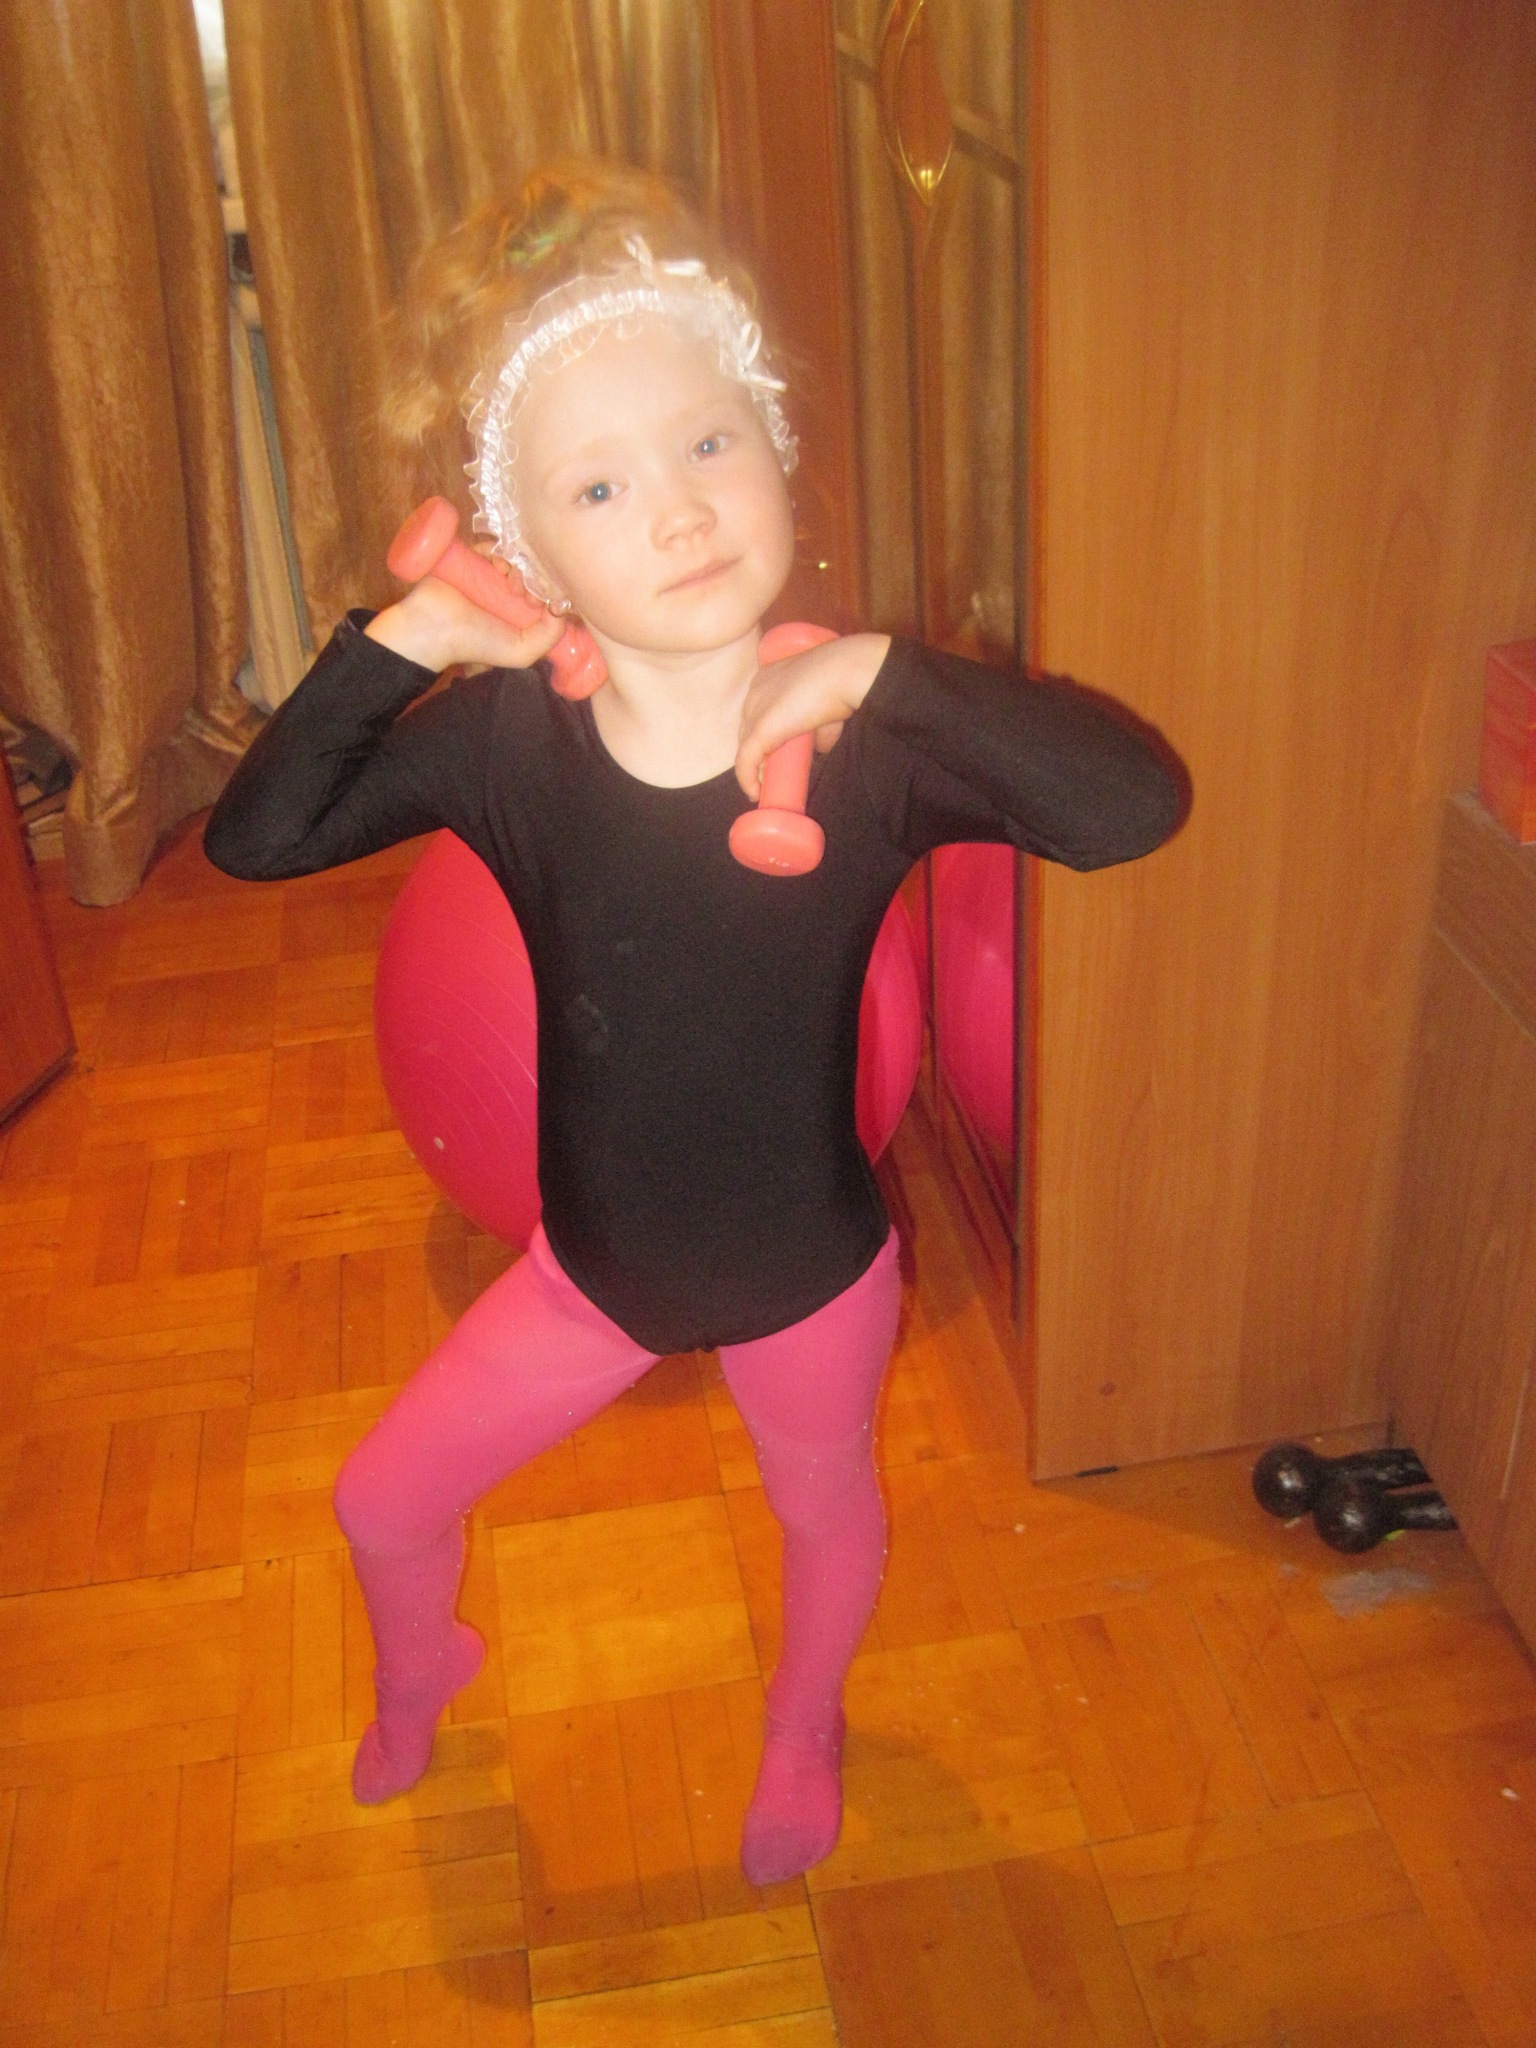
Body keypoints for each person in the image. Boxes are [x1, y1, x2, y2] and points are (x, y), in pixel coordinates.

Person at [205, 159, 1184, 1885]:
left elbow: (1132, 807)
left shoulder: (868, 753)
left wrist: (880, 671)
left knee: (824, 1509)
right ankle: (426, 1665)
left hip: (808, 1272)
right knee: (379, 1498)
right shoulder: (507, 750)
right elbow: (256, 839)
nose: (677, 512)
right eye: (599, 484)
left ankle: (803, 1725)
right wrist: (405, 637)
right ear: (532, 554)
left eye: (710, 443)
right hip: (594, 1275)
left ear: (777, 452)